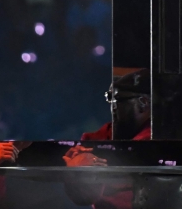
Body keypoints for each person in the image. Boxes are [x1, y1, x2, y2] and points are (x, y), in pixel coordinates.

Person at [62, 70, 152, 209]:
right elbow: (84, 197)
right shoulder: (103, 135)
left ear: (143, 103)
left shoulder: (156, 136)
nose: (112, 107)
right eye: (109, 98)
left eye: (117, 99)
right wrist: (75, 168)